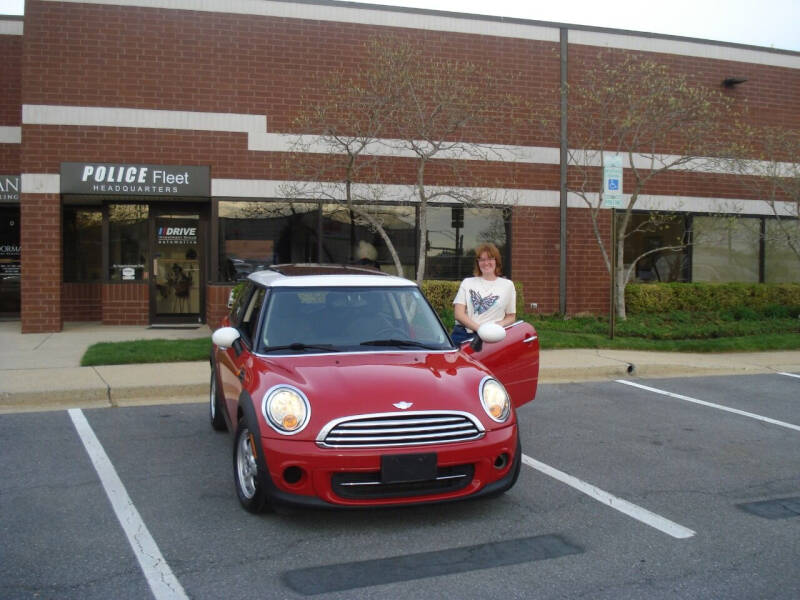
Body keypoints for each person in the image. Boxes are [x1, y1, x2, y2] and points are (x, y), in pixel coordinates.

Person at [451, 243, 516, 344]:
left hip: (493, 337)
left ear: (496, 261)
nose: (486, 263)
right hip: (464, 335)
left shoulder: (508, 285)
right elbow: (458, 314)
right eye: (482, 259)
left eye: (490, 259)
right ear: (478, 263)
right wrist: (481, 329)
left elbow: (511, 316)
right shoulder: (467, 283)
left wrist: (500, 324)